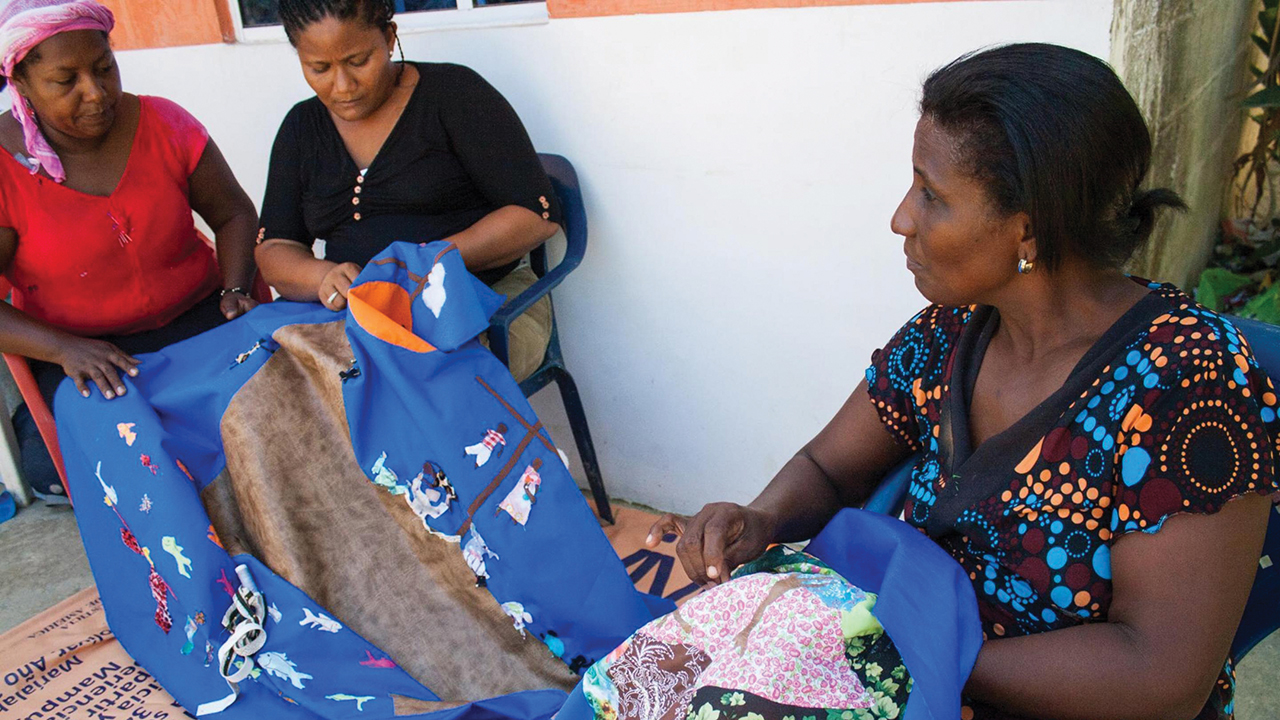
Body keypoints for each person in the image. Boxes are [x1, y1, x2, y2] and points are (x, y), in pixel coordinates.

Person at [647, 44, 1279, 720]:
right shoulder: (949, 334)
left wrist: (922, 652)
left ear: (1027, 228)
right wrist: (762, 517)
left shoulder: (1187, 382)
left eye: (932, 194)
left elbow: (1160, 678)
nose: (902, 218)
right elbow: (829, 468)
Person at [0, 0, 260, 501]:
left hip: (201, 320)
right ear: (22, 83)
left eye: (103, 69)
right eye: (65, 80)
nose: (95, 93)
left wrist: (234, 285)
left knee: (268, 412)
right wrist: (62, 348)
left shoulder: (165, 123)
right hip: (86, 357)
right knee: (145, 466)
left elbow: (233, 213)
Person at [255, 0, 560, 382]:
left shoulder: (455, 94)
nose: (342, 86)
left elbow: (535, 216)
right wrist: (322, 277)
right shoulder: (301, 128)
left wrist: (421, 266)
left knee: (388, 389)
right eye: (319, 68)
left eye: (358, 61)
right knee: (254, 386)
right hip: (352, 319)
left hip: (483, 303)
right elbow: (275, 249)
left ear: (389, 37)